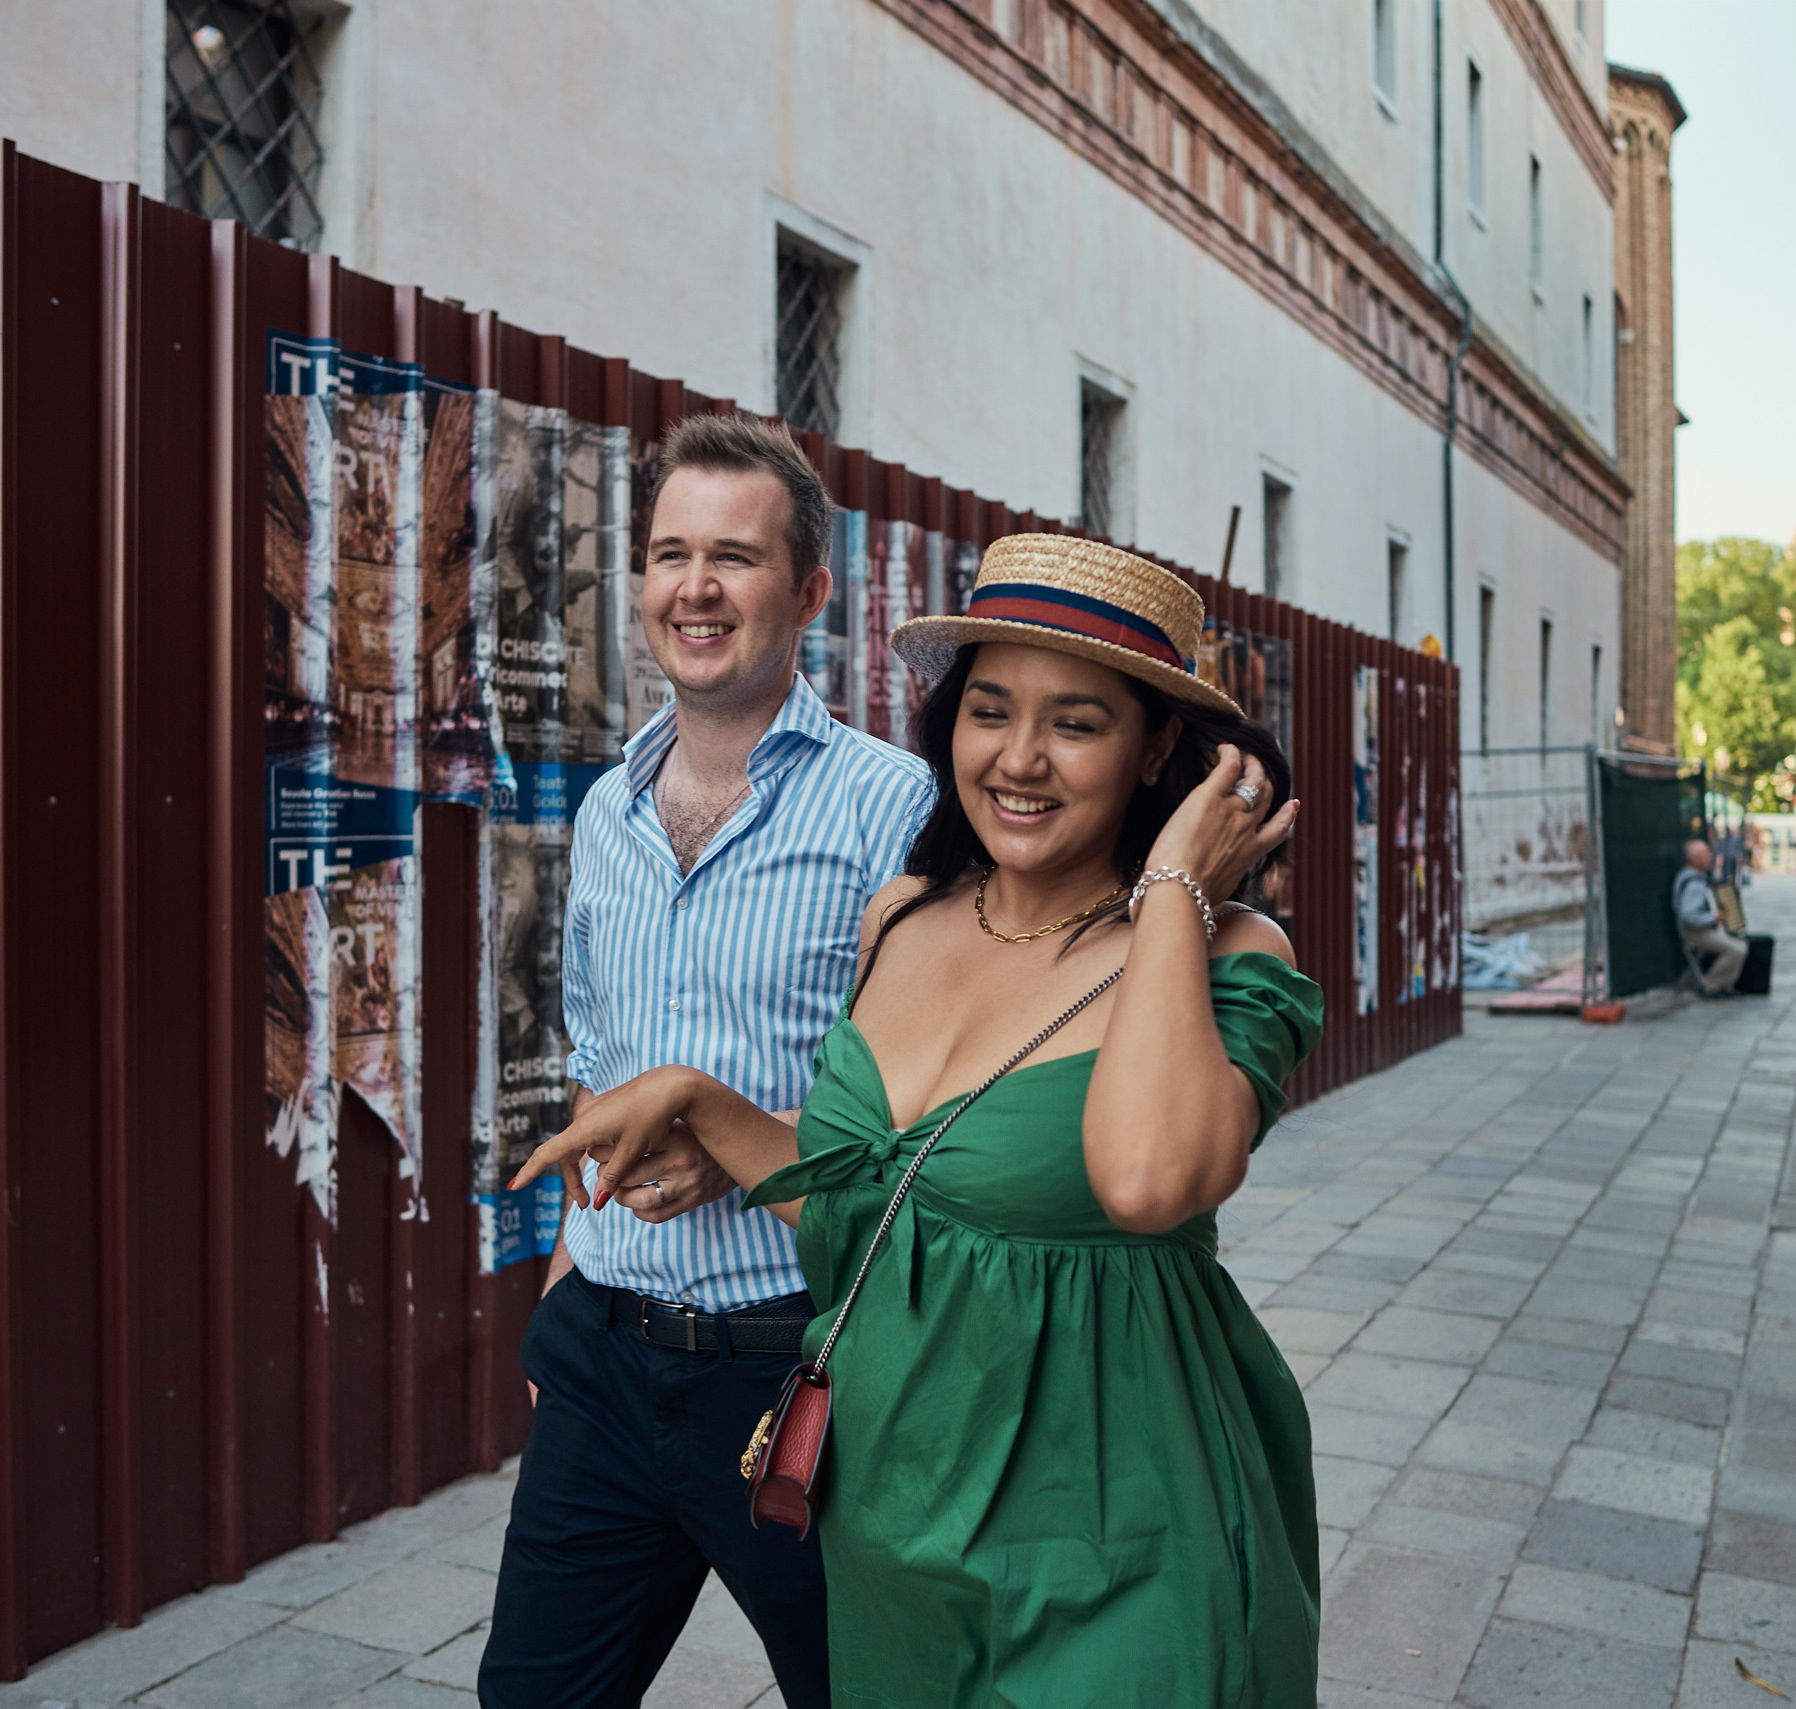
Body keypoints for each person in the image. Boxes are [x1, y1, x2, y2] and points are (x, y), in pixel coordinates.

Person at [514, 537, 1324, 1706]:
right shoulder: (902, 916)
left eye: (1077, 723)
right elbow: (876, 1193)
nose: (1021, 757)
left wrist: (1170, 893)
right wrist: (702, 1102)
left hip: (1117, 1526)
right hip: (899, 1513)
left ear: (1158, 752)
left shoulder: (1228, 951)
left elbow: (1149, 1178)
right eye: (990, 709)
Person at [477, 415, 934, 1709]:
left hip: (800, 1368)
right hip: (605, 1363)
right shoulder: (606, 812)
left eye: (734, 556)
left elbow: (927, 1125)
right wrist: (573, 1270)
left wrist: (732, 1137)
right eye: (670, 553)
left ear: (811, 592)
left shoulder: (891, 808)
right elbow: (598, 1054)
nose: (696, 587)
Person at [1674, 838, 1746, 996]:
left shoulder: (1696, 877)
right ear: (1694, 859)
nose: (1710, 857)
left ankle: (1724, 986)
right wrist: (1713, 918)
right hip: (1695, 933)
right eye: (1706, 854)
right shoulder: (1693, 883)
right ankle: (1710, 985)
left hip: (1700, 930)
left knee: (1740, 944)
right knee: (1737, 950)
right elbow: (1689, 916)